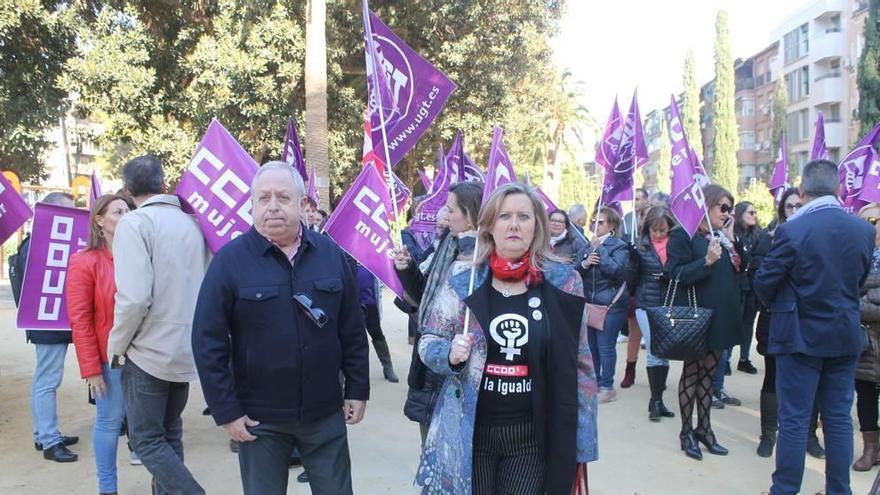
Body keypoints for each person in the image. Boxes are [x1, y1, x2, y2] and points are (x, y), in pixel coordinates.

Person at [192, 161, 369, 495]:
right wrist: (226, 410)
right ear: (252, 204)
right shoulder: (229, 262)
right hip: (260, 420)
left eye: (283, 197)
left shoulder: (330, 255)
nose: (272, 206)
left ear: (302, 204)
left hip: (324, 412)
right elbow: (207, 342)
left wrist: (358, 388)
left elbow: (352, 328)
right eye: (263, 198)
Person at [415, 183, 598, 494]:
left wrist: (582, 440)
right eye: (504, 216)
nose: (514, 224)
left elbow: (580, 364)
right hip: (469, 431)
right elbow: (428, 340)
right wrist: (449, 354)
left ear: (537, 225)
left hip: (532, 436)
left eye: (523, 216)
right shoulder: (463, 277)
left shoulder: (563, 282)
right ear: (489, 225)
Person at [755, 159, 874, 495]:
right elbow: (859, 280)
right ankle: (839, 490)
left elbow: (765, 281)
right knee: (837, 418)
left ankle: (785, 489)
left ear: (803, 192)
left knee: (793, 418)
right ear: (838, 189)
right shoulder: (864, 230)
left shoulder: (792, 229)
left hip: (798, 337)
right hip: (844, 335)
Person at [108, 155, 209, 495]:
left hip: (148, 351)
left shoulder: (135, 224)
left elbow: (134, 298)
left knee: (147, 441)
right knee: (169, 434)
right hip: (186, 347)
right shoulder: (192, 223)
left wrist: (117, 344)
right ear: (163, 184)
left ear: (126, 190)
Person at [395, 182, 482, 445]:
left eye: (452, 209)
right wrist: (407, 268)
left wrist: (471, 250)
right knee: (430, 448)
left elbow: (472, 304)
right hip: (429, 359)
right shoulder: (446, 241)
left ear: (471, 214)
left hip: (463, 365)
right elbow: (425, 295)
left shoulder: (488, 252)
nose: (444, 214)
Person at [666, 184, 741, 460]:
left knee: (709, 376)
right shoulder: (683, 236)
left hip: (722, 316)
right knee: (692, 373)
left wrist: (731, 238)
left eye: (730, 209)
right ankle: (686, 433)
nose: (727, 213)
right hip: (698, 317)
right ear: (706, 205)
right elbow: (674, 275)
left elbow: (740, 269)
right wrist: (706, 262)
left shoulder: (721, 236)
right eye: (723, 208)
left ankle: (705, 429)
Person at [66, 194, 134, 494]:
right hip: (111, 360)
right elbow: (80, 320)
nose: (126, 215)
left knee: (147, 423)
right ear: (99, 220)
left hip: (146, 356)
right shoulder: (85, 262)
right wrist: (92, 369)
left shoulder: (140, 256)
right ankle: (108, 487)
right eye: (118, 211)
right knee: (109, 421)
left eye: (129, 210)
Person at [754, 187, 825, 459]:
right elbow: (760, 279)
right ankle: (768, 433)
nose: (794, 210)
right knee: (773, 378)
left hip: (810, 319)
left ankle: (809, 435)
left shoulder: (815, 236)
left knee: (814, 381)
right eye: (789, 206)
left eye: (799, 205)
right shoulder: (770, 238)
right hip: (776, 317)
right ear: (782, 209)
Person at [11, 192, 80, 463]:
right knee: (48, 380)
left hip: (51, 321)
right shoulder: (39, 242)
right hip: (47, 322)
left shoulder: (45, 240)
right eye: (69, 211)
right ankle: (50, 442)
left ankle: (44, 434)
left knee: (45, 378)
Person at [577, 206, 631, 403]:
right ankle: (596, 383)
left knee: (605, 346)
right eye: (593, 221)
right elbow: (575, 271)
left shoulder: (619, 246)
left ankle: (607, 387)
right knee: (591, 346)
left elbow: (617, 271)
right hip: (590, 304)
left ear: (611, 226)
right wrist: (585, 263)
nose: (594, 225)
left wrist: (600, 251)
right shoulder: (587, 244)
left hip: (611, 306)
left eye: (600, 222)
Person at [634, 206, 677, 421]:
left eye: (663, 230)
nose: (658, 234)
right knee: (653, 350)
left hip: (669, 304)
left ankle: (658, 399)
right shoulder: (640, 247)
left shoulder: (677, 245)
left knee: (665, 351)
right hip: (647, 304)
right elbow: (632, 276)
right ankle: (656, 400)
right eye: (654, 230)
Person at [854, 202, 880, 472]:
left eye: (874, 222)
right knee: (866, 396)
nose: (868, 227)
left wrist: (864, 296)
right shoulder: (855, 254)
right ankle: (870, 449)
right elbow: (847, 295)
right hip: (862, 342)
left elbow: (857, 295)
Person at [730, 201, 766, 375]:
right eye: (750, 212)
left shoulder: (759, 234)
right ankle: (726, 360)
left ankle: (744, 359)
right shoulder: (733, 233)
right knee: (734, 321)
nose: (754, 215)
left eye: (755, 212)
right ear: (740, 214)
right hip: (737, 284)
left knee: (748, 323)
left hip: (752, 285)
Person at [357, 264, 399, 382]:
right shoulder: (343, 252)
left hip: (369, 300)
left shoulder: (367, 254)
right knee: (354, 337)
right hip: (350, 301)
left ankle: (388, 366)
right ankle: (352, 374)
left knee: (376, 331)